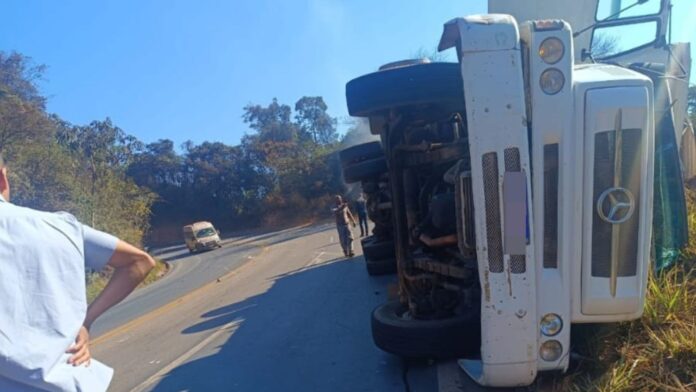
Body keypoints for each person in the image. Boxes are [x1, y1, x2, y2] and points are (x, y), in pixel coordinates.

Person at [0, 152, 156, 392]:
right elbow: (140, 262)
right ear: (3, 179)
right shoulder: (58, 227)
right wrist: (86, 321)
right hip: (73, 380)